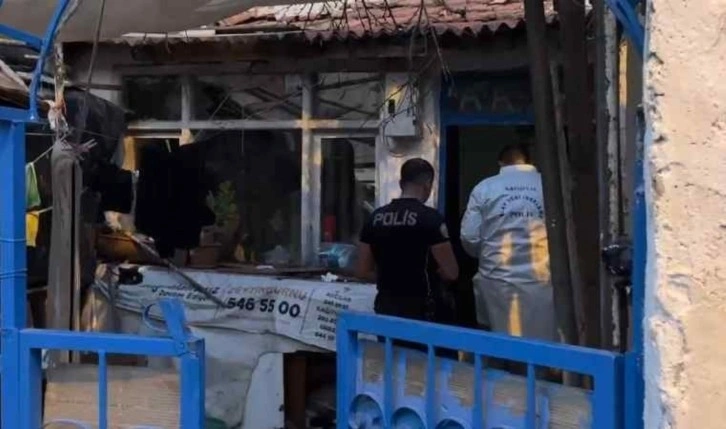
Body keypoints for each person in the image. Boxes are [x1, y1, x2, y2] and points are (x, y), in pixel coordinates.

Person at [460, 144, 556, 342]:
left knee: (500, 341)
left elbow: (470, 237)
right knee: (543, 341)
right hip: (543, 279)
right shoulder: (548, 185)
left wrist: (487, 254)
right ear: (530, 161)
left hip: (496, 279)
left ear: (501, 163)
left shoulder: (485, 187)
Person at [356, 158, 459, 325]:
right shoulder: (431, 219)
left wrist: (390, 277)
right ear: (428, 185)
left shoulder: (375, 218)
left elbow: (362, 271)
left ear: (401, 183)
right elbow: (451, 273)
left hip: (386, 308)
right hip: (424, 310)